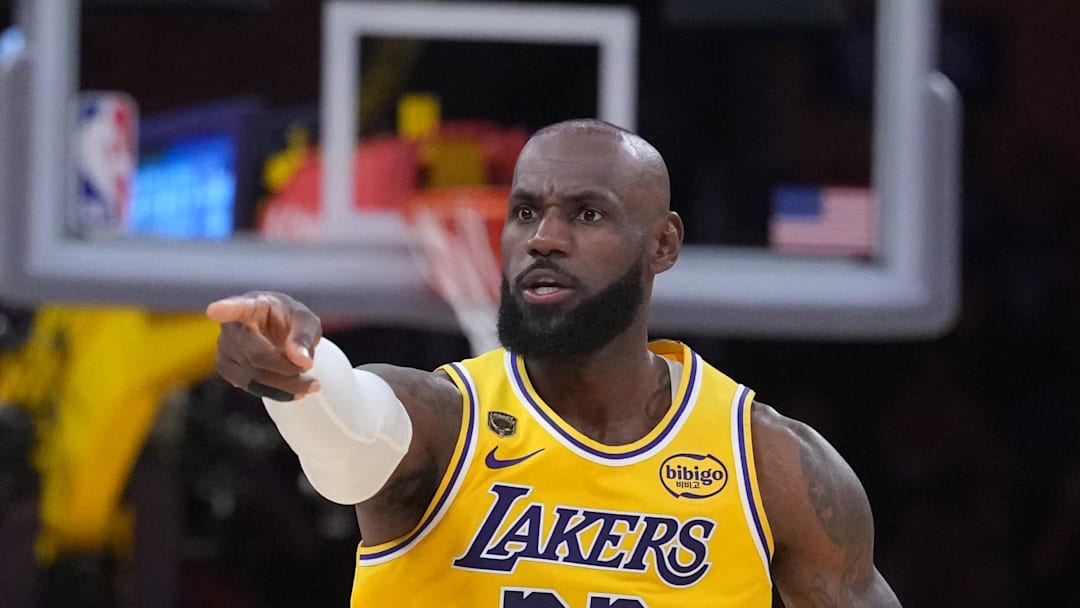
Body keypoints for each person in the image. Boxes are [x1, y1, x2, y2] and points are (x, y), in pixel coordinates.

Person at [208, 119, 901, 607]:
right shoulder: (446, 423)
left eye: (587, 215)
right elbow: (350, 437)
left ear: (662, 245)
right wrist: (300, 368)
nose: (543, 238)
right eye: (526, 211)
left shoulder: (769, 465)